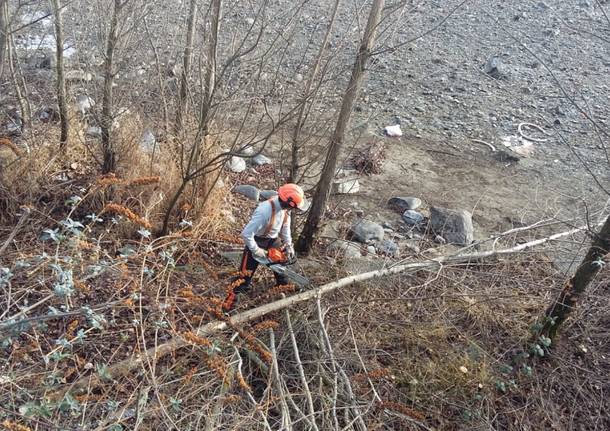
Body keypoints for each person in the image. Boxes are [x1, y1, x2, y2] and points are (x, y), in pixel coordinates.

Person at [223, 183, 307, 310]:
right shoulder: (264, 211)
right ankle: (227, 307)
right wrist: (256, 250)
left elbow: (285, 228)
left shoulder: (285, 210)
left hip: (273, 240)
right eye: (293, 208)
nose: (293, 210)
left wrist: (289, 245)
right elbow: (246, 234)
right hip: (256, 240)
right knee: (244, 277)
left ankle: (283, 287)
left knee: (281, 267)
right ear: (288, 203)